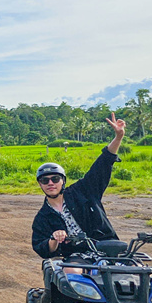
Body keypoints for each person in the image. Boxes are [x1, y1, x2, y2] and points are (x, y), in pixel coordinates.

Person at [32, 112, 125, 261]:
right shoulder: (43, 217)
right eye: (45, 181)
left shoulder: (84, 191)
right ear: (40, 184)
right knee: (73, 273)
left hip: (106, 248)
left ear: (63, 181)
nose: (50, 183)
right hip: (76, 256)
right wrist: (54, 238)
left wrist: (118, 137)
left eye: (55, 179)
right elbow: (42, 248)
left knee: (138, 271)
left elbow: (103, 163)